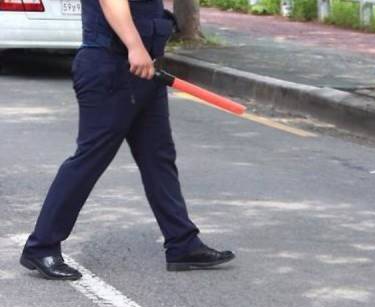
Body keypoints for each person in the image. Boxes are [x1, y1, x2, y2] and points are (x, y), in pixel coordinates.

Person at [20, 0, 235, 280]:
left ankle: (183, 243)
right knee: (90, 159)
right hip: (111, 66)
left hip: (145, 70)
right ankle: (41, 246)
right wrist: (135, 46)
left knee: (158, 158)